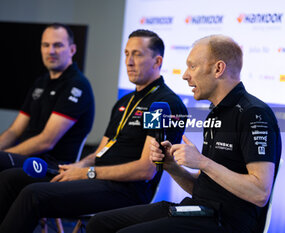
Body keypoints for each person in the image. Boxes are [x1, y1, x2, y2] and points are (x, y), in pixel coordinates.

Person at [86, 35, 282, 233]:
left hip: (226, 223)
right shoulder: (217, 112)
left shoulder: (254, 113)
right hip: (198, 210)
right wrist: (172, 166)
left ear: (218, 69)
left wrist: (203, 162)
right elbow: (204, 189)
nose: (185, 75)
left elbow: (259, 192)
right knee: (100, 224)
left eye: (192, 67)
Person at [0, 29, 187, 233]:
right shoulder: (125, 102)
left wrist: (87, 173)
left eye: (138, 54)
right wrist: (77, 167)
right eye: (126, 53)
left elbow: (145, 169)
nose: (129, 61)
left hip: (125, 190)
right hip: (96, 177)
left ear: (157, 61)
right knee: (10, 179)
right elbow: (101, 151)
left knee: (33, 194)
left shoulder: (162, 104)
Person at [0, 23, 95, 172]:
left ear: (72, 50)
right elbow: (14, 131)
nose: (50, 51)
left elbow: (46, 141)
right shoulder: (41, 82)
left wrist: (6, 156)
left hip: (52, 166)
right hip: (27, 159)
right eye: (46, 45)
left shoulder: (77, 85)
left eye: (57, 45)